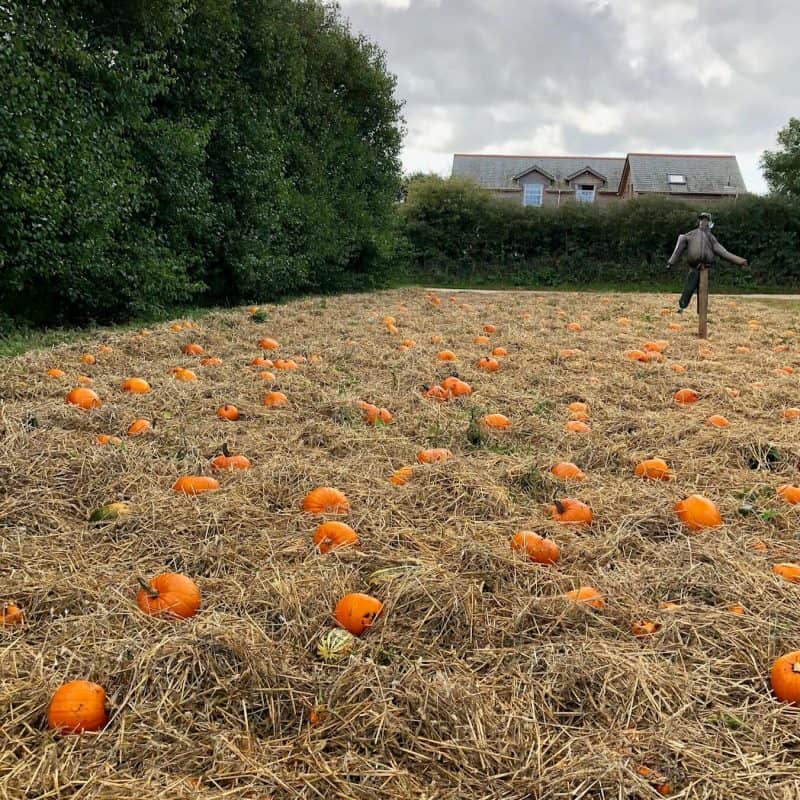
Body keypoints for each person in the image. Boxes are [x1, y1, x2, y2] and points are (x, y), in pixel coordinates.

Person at [667, 211, 748, 313]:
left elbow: (723, 252)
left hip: (705, 268)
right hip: (694, 267)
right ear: (699, 221)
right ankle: (681, 307)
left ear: (709, 222)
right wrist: (671, 262)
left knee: (703, 291)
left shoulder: (711, 238)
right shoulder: (690, 235)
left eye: (705, 220)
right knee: (689, 287)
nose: (703, 222)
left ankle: (701, 311)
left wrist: (740, 261)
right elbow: (678, 248)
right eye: (701, 219)